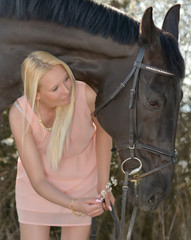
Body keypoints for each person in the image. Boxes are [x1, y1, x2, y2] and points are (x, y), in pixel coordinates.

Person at [9, 51, 114, 240]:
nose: (67, 90)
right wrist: (74, 204)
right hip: (38, 190)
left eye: (66, 79)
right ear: (37, 95)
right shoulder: (20, 114)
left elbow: (104, 131)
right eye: (55, 88)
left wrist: (103, 183)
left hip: (82, 184)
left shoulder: (85, 95)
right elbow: (38, 181)